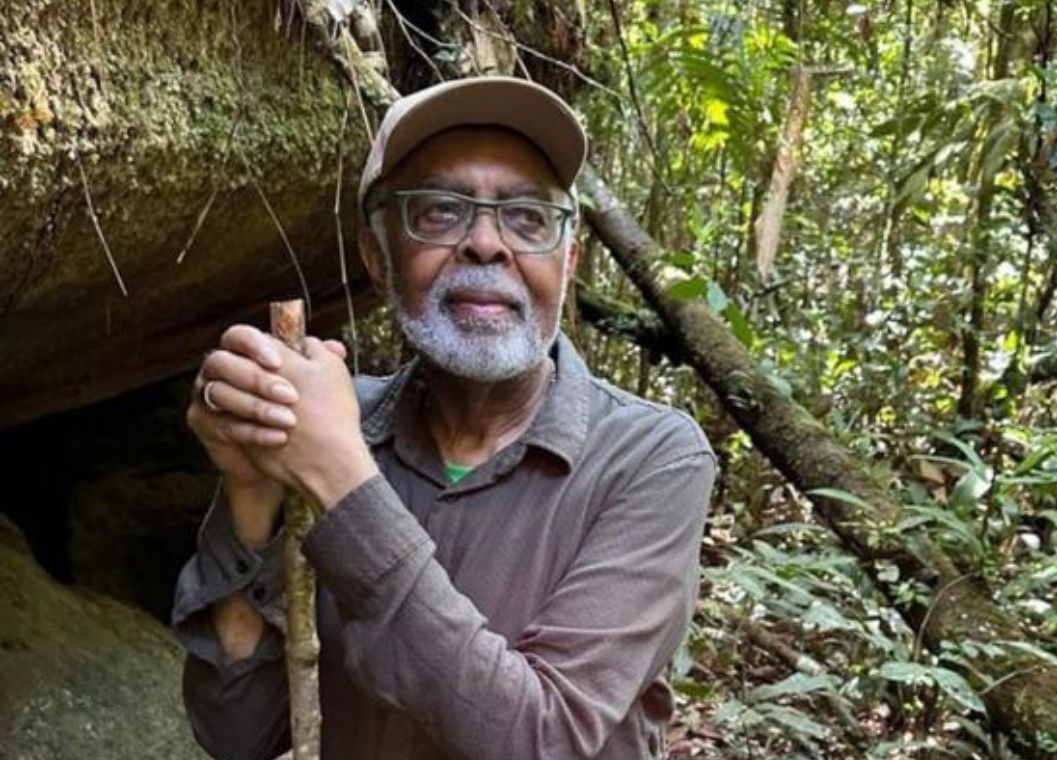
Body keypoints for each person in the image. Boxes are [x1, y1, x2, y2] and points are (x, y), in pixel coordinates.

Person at [173, 76, 715, 760]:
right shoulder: (334, 425)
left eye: (527, 217)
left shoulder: (649, 457)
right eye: (438, 211)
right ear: (378, 259)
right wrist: (251, 492)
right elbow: (237, 734)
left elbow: (539, 740)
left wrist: (337, 476)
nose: (487, 244)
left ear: (568, 261)